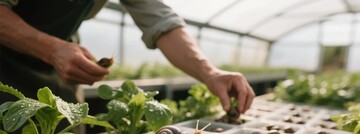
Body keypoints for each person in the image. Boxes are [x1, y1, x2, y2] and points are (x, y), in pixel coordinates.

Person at [0, 0, 255, 114]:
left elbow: (161, 20)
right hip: (5, 62)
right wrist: (52, 49)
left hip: (63, 61)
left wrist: (211, 73)